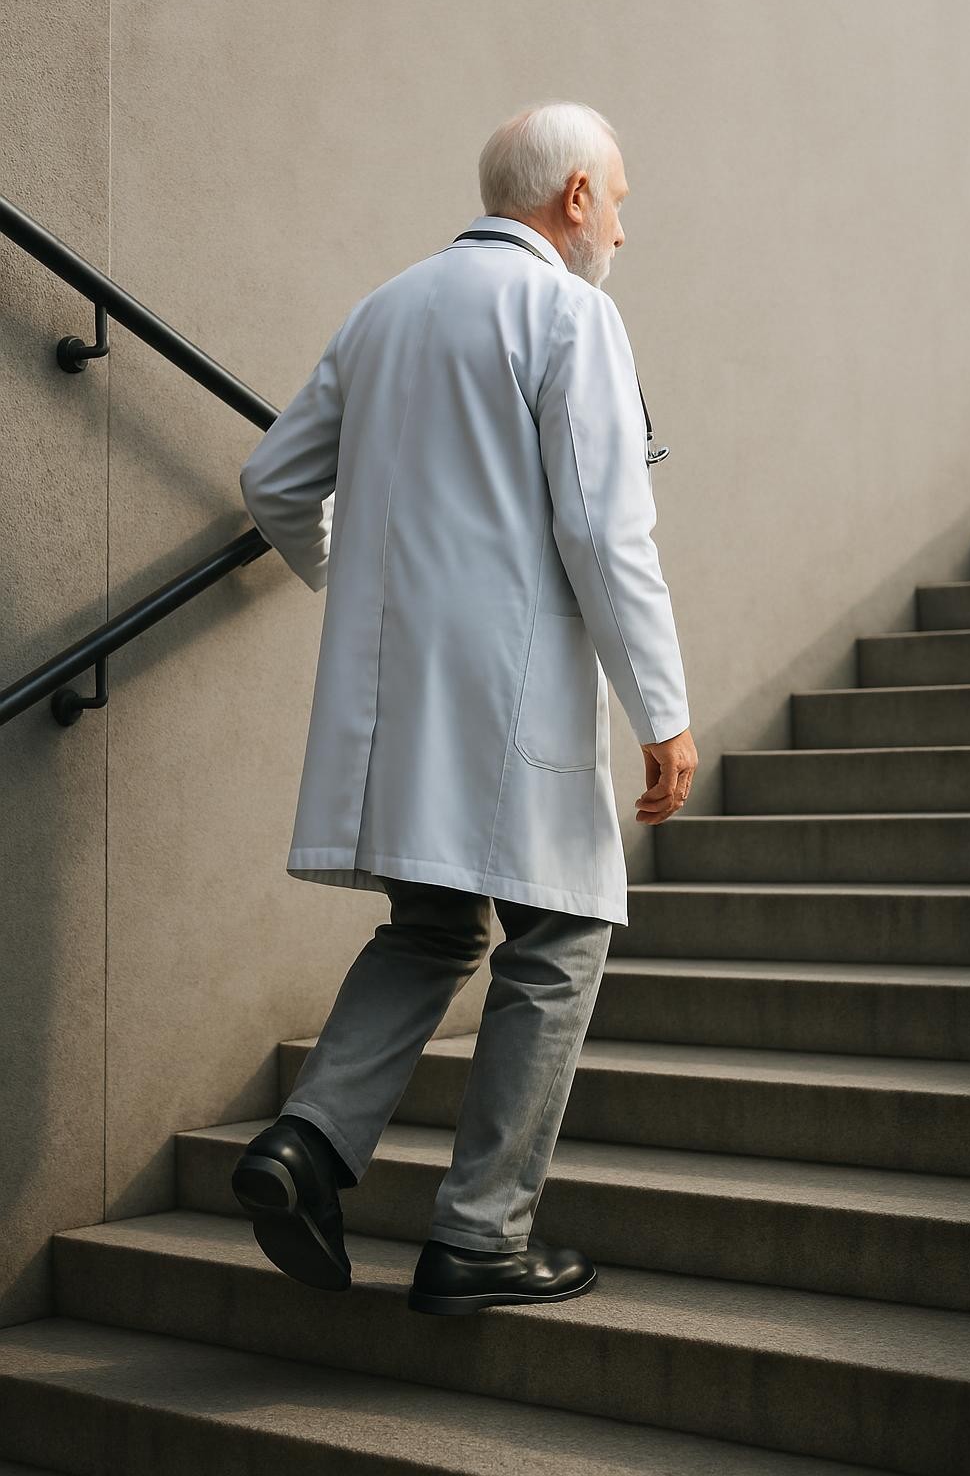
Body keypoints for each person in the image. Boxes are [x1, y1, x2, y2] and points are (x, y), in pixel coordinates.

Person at [231, 100, 698, 1314]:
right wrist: (664, 710)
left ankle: (307, 1144)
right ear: (577, 198)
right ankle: (480, 1235)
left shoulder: (384, 308)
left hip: (397, 698)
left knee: (434, 927)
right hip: (511, 695)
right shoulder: (567, 312)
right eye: (621, 201)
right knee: (560, 943)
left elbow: (275, 480)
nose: (622, 234)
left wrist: (367, 586)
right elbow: (603, 530)